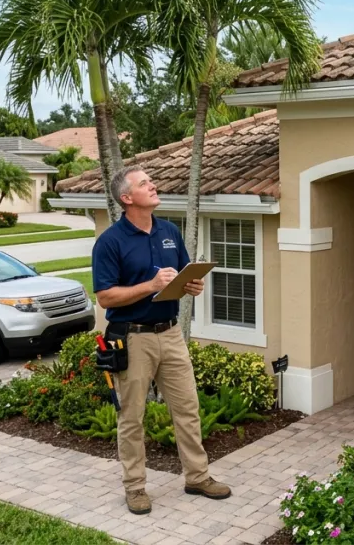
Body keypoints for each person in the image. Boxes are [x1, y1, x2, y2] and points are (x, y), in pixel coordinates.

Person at [92, 165, 231, 515]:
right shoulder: (110, 242)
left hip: (170, 334)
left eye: (150, 181)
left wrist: (192, 285)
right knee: (132, 417)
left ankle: (197, 477)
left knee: (187, 407)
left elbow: (183, 276)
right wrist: (149, 287)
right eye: (144, 183)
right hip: (133, 338)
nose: (153, 185)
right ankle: (135, 487)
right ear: (127, 198)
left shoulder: (169, 230)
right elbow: (105, 297)